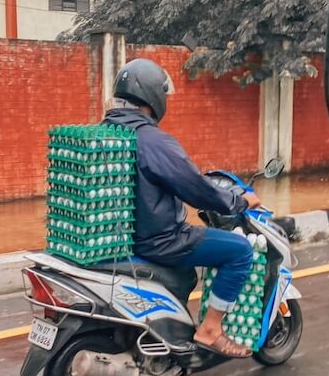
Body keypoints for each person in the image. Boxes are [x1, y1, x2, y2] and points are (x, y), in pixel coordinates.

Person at [102, 58, 259, 358]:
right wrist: (237, 201)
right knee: (240, 251)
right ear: (153, 97)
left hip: (122, 242)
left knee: (187, 276)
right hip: (160, 241)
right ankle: (211, 330)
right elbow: (195, 187)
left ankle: (168, 333)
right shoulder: (153, 141)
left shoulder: (105, 133)